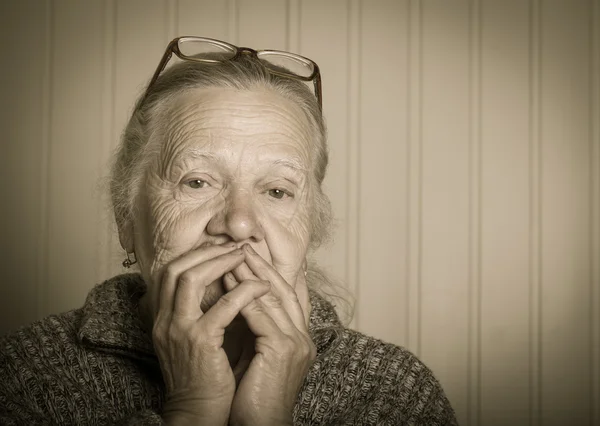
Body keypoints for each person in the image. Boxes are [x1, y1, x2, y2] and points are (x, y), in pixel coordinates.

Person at [0, 37, 458, 425]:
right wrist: (191, 411)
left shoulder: (393, 391)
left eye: (277, 191)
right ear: (126, 217)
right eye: (197, 182)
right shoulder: (26, 373)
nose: (238, 223)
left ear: (311, 229)